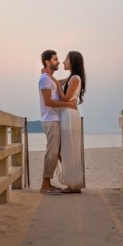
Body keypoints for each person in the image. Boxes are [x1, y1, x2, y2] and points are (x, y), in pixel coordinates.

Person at [37, 49, 78, 195]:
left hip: (56, 119)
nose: (58, 61)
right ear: (47, 62)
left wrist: (72, 77)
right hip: (51, 120)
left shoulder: (49, 78)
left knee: (58, 152)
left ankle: (70, 180)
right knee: (52, 152)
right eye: (55, 59)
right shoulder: (44, 79)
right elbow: (48, 102)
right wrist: (68, 105)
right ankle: (45, 185)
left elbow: (58, 84)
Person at [57, 51, 86, 192]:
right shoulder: (71, 78)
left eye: (66, 60)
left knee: (69, 149)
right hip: (67, 114)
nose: (63, 62)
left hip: (69, 116)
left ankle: (73, 184)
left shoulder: (75, 78)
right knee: (66, 149)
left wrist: (57, 87)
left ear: (72, 62)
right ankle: (73, 182)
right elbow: (56, 82)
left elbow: (65, 99)